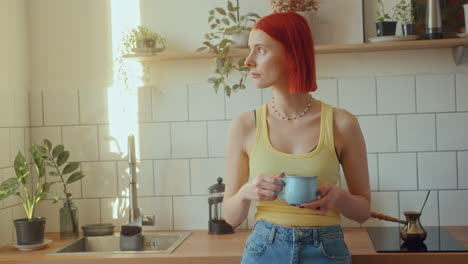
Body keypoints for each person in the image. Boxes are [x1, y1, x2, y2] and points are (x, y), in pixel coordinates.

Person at [223, 11, 371, 264]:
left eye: (260, 50)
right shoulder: (245, 125)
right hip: (264, 248)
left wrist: (338, 197)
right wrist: (247, 192)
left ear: (291, 53)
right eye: (250, 50)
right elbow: (231, 217)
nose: (248, 61)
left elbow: (363, 211)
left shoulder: (342, 123)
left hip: (326, 250)